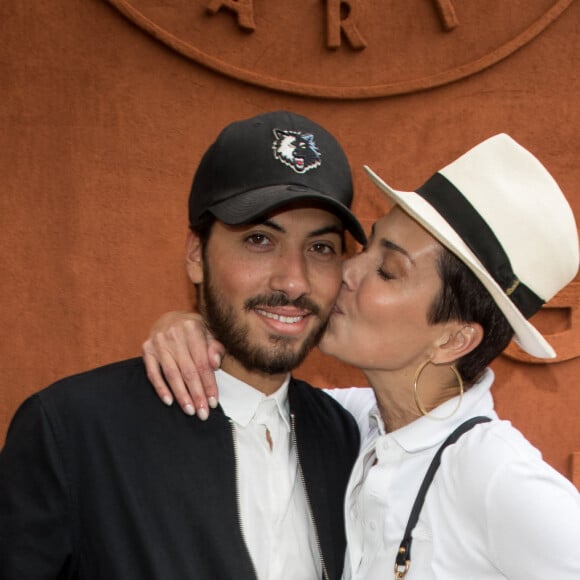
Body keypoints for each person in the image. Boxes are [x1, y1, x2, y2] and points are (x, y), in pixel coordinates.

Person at [143, 133, 580, 579]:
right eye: (366, 247)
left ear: (453, 340)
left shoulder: (496, 476)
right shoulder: (353, 424)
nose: (345, 272)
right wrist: (189, 324)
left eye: (388, 272)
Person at [0, 110, 365, 580]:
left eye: (320, 248)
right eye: (259, 239)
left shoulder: (345, 438)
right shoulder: (73, 430)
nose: (293, 281)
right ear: (196, 254)